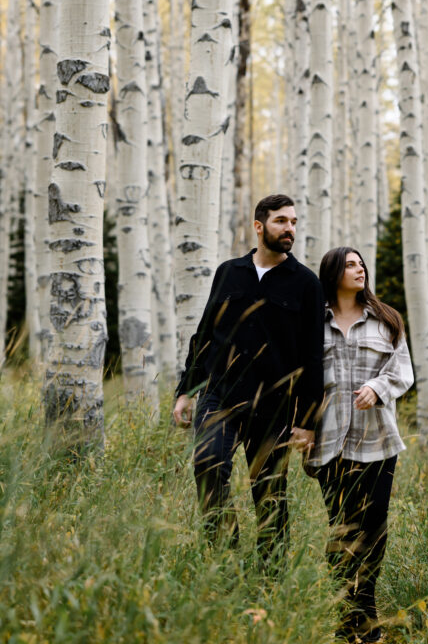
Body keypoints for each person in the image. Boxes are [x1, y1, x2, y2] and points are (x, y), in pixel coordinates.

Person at [172, 193, 324, 568]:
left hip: (273, 407)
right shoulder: (229, 272)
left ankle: (270, 575)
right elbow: (204, 335)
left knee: (270, 494)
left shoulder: (306, 283)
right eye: (281, 221)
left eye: (293, 222)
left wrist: (307, 422)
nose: (289, 229)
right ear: (259, 226)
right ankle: (224, 559)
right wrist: (186, 391)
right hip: (219, 396)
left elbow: (313, 357)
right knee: (207, 465)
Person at [305, 247, 414, 644]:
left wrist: (377, 387)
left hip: (379, 444)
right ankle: (352, 617)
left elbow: (403, 372)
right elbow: (302, 380)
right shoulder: (313, 322)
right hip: (330, 445)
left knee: (373, 532)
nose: (360, 269)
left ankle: (361, 614)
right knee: (342, 532)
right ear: (333, 273)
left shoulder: (386, 320)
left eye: (361, 263)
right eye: (351, 265)